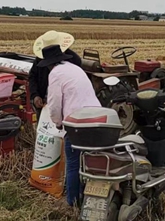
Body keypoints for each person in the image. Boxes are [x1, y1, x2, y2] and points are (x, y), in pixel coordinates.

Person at [38, 44, 101, 207]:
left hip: (77, 121)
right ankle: (94, 196)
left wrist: (58, 123)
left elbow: (54, 104)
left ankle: (72, 202)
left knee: (73, 163)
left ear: (49, 64)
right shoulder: (75, 68)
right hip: (98, 117)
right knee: (92, 160)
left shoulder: (55, 74)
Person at [29, 30, 81, 119]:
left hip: (66, 105)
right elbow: (32, 76)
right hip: (44, 103)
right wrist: (35, 95)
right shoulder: (39, 60)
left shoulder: (74, 60)